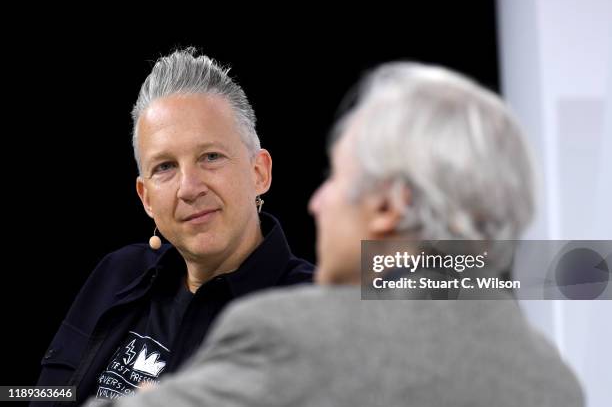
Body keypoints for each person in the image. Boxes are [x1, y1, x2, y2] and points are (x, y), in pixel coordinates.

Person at [88, 62, 583, 406]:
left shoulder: (296, 328)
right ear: (144, 194)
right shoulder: (554, 381)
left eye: (336, 179)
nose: (317, 202)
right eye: (165, 168)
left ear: (389, 207)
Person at [35, 48, 313, 404]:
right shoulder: (117, 273)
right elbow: (45, 394)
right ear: (146, 197)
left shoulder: (316, 308)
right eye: (165, 167)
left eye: (210, 157)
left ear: (259, 173)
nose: (189, 188)